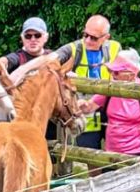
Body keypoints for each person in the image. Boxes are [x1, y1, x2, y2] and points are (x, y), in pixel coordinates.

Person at [52, 15, 122, 149]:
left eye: (94, 38)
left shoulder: (115, 48)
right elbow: (50, 61)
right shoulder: (74, 48)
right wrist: (64, 74)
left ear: (106, 37)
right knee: (89, 150)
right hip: (85, 109)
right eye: (85, 35)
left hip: (110, 109)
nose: (88, 40)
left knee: (117, 150)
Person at [95, 49, 140, 157]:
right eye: (110, 71)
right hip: (110, 152)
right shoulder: (110, 88)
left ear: (131, 74)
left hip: (135, 153)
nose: (112, 75)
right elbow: (88, 106)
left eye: (116, 72)